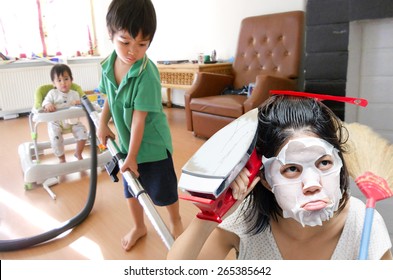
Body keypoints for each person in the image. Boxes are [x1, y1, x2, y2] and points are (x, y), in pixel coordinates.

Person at [167, 93, 393, 260]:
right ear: (265, 178)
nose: (312, 185)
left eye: (324, 163)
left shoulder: (364, 223)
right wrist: (209, 216)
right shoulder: (246, 219)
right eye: (292, 169)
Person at [97, 0, 183, 251]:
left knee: (164, 189)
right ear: (110, 34)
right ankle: (139, 226)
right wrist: (103, 123)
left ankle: (175, 220)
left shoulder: (147, 73)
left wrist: (133, 156)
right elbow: (109, 99)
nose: (132, 51)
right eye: (125, 41)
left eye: (142, 44)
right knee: (131, 188)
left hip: (152, 146)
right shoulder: (107, 66)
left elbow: (139, 119)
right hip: (126, 143)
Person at [42, 64, 88, 163]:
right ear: (54, 83)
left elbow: (81, 105)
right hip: (56, 122)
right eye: (59, 80)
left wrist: (79, 103)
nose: (63, 82)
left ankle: (78, 152)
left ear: (71, 79)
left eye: (66, 79)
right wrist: (48, 105)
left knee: (83, 133)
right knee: (56, 139)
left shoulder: (75, 94)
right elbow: (45, 102)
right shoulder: (52, 93)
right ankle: (61, 158)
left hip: (73, 121)